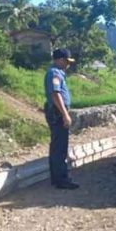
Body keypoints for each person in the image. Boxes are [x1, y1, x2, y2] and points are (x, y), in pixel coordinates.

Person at [44, 49, 79, 189]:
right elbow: (55, 94)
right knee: (60, 147)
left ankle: (57, 178)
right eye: (66, 61)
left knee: (56, 146)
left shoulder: (57, 73)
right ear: (59, 59)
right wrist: (65, 114)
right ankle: (61, 180)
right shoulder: (55, 73)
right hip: (57, 113)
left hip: (56, 111)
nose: (68, 65)